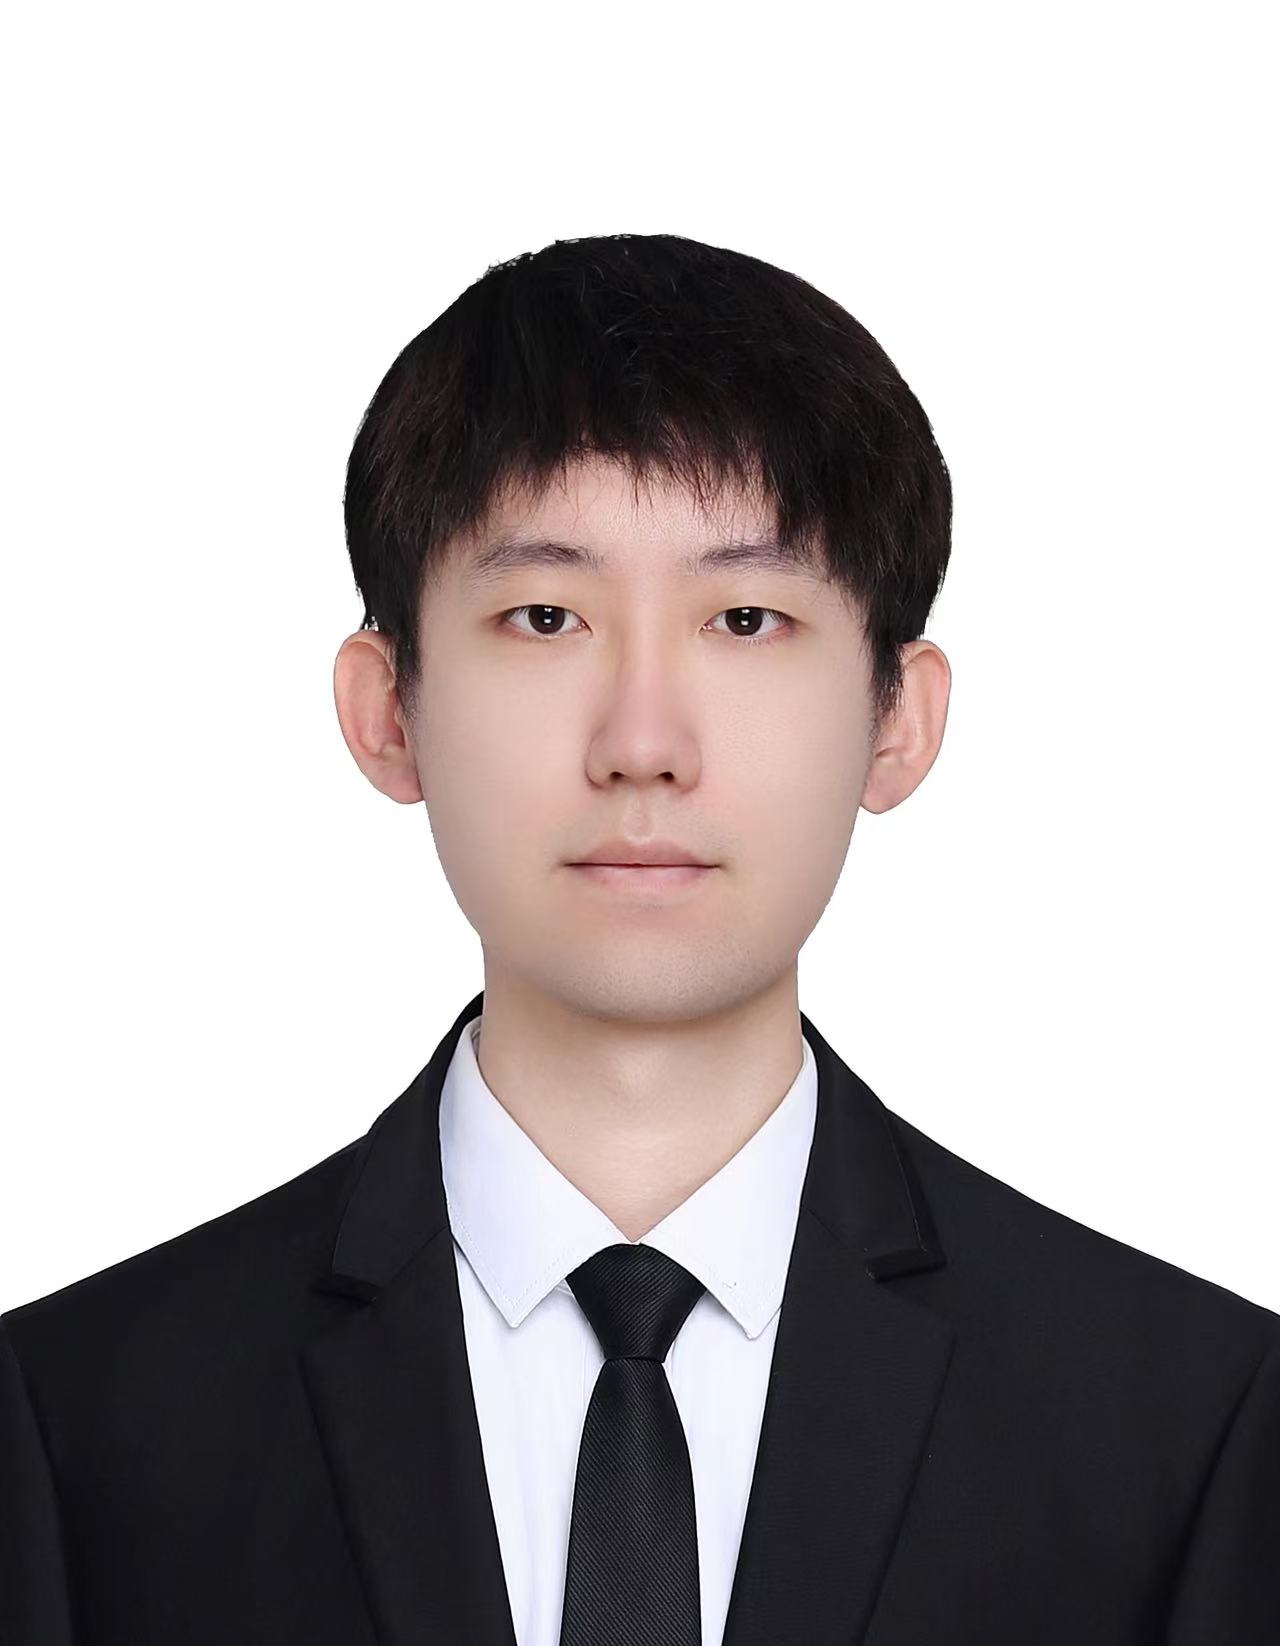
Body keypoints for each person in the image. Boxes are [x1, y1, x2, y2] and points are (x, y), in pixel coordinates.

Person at [2, 233, 1277, 1645]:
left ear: (900, 719)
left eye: (748, 617)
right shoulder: (80, 1420)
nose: (644, 742)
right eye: (545, 616)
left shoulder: (1188, 1421)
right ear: (387, 710)